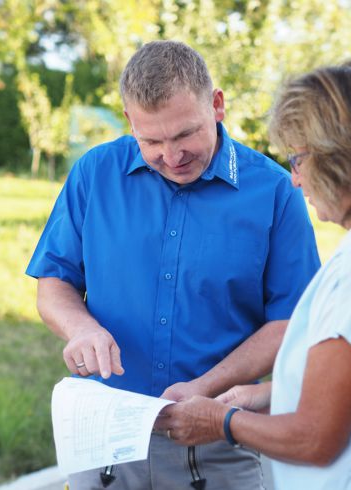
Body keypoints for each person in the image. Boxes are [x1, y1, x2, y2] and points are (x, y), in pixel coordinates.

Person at [26, 40, 320, 490]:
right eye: (151, 140)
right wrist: (80, 328)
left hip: (218, 444)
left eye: (185, 134)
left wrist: (206, 386)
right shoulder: (93, 173)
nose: (171, 155)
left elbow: (290, 324)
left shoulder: (277, 192)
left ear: (217, 105)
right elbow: (54, 284)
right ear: (129, 121)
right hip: (103, 439)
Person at [159, 59, 351, 489]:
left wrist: (220, 421)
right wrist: (261, 396)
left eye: (299, 159)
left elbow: (316, 437)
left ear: (344, 157)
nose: (296, 179)